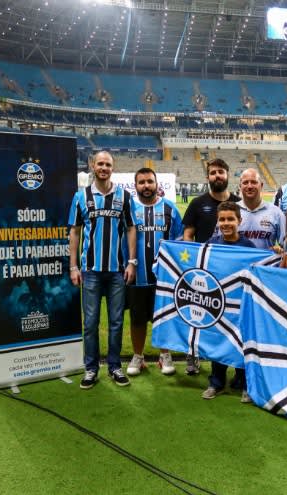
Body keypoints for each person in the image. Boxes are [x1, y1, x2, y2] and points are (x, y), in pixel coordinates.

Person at [68, 151, 136, 390]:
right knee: (91, 323)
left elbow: (131, 229)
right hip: (90, 272)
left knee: (116, 321)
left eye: (108, 164)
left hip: (117, 271)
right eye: (100, 163)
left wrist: (132, 262)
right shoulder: (81, 197)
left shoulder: (125, 197)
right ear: (93, 166)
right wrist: (73, 266)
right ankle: (91, 368)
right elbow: (74, 232)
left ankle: (115, 366)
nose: (104, 167)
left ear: (112, 167)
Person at [182, 158, 240, 374]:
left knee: (229, 317)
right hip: (204, 270)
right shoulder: (197, 203)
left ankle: (230, 359)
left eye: (221, 172)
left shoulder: (238, 202)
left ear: (227, 175)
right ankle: (193, 355)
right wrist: (192, 262)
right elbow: (188, 234)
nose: (217, 176)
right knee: (198, 312)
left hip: (231, 270)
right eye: (213, 172)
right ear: (208, 177)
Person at [125, 167, 184, 377]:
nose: (146, 186)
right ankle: (138, 356)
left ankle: (164, 355)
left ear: (156, 184)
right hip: (137, 276)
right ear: (136, 185)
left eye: (150, 181)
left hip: (164, 278)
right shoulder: (129, 208)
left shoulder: (169, 208)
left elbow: (180, 240)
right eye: (141, 182)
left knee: (164, 317)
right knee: (137, 319)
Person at [203, 201, 256, 402]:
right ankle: (216, 382)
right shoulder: (212, 244)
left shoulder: (248, 247)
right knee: (218, 341)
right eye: (222, 219)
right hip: (218, 305)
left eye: (230, 219)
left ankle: (243, 382)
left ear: (239, 221)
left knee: (241, 343)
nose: (226, 223)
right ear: (217, 221)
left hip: (241, 306)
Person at [237, 168, 286, 251]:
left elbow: (286, 245)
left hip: (265, 263)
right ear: (240, 186)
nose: (249, 186)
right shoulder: (232, 211)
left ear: (261, 185)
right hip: (237, 263)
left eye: (254, 182)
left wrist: (279, 250)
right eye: (245, 182)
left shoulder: (276, 213)